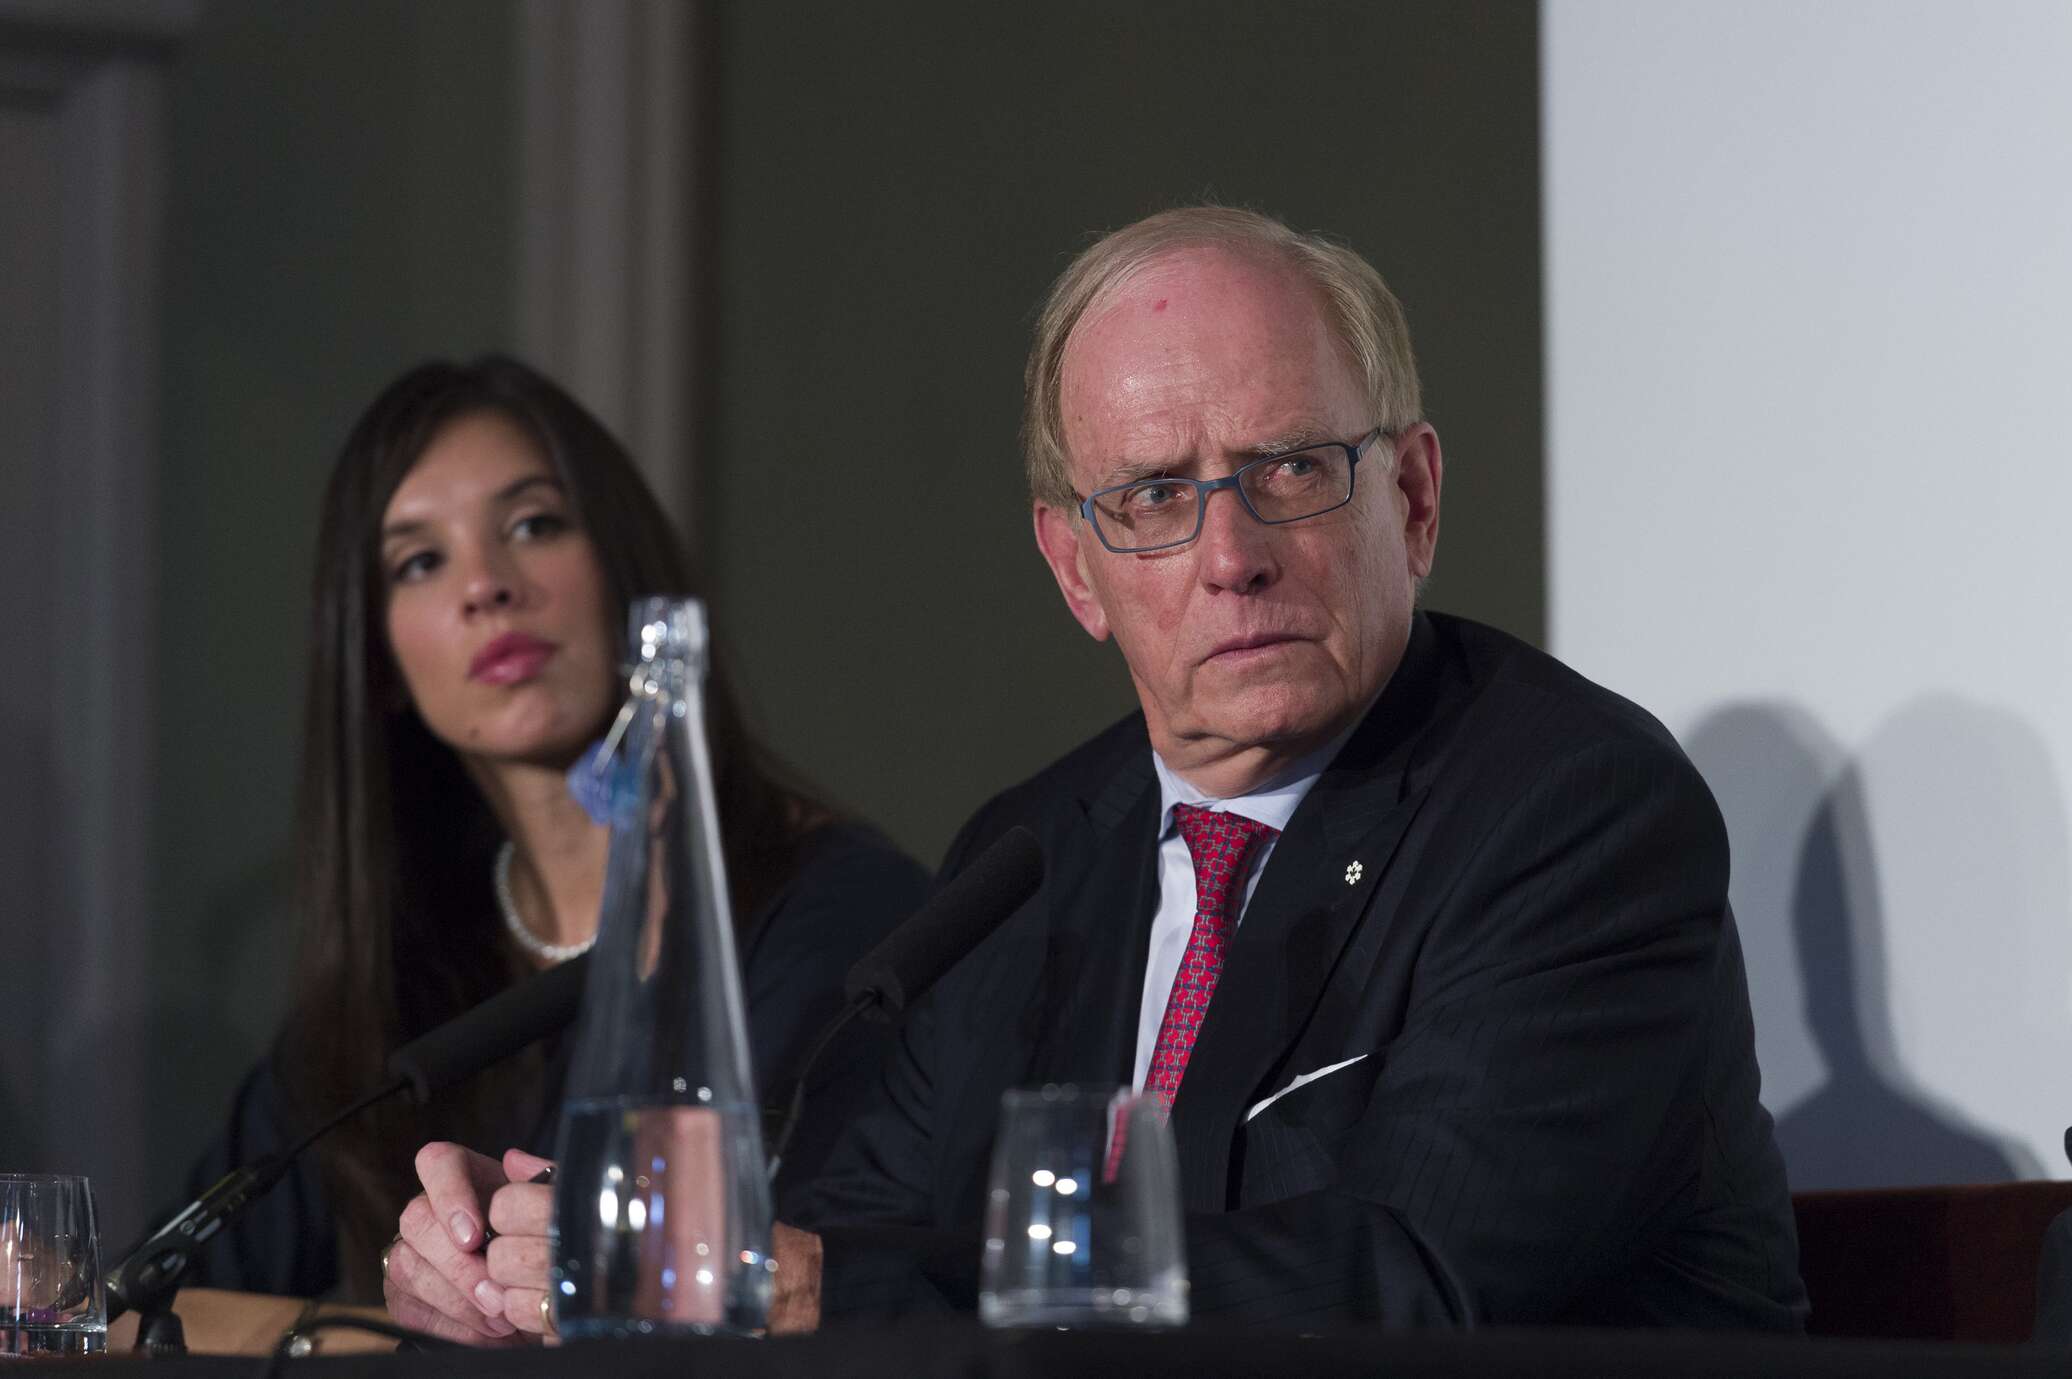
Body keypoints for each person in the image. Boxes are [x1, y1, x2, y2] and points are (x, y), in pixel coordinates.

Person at [394, 207, 1807, 1338]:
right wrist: (547, 1264)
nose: (1230, 554)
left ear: (1415, 498)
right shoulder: (1028, 857)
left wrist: (816, 1286)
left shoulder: (1569, 810)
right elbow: (836, 1240)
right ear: (1076, 569)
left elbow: (1413, 1278)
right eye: (1152, 497)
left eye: (1291, 469)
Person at [185, 356, 928, 1332]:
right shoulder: (389, 988)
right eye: (420, 561)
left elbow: (859, 1288)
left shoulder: (846, 919)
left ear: (626, 572)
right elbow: (154, 1299)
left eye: (533, 524)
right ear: (381, 665)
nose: (487, 586)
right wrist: (401, 1305)